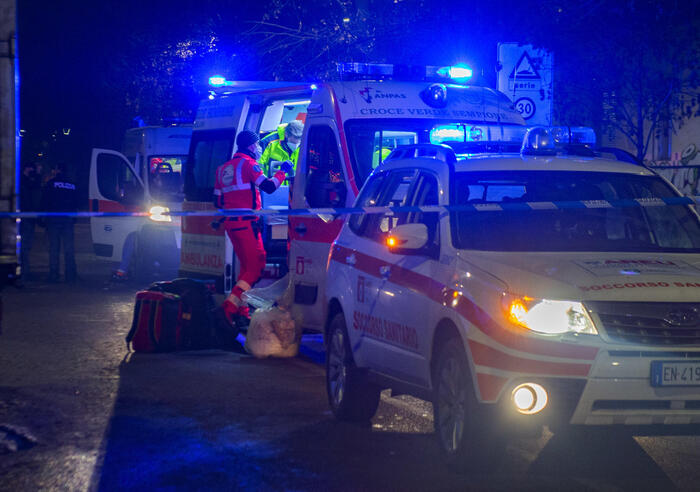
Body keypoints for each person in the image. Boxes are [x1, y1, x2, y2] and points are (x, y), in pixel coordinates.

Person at [214, 130, 292, 322]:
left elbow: (217, 201)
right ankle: (230, 306)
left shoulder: (223, 169)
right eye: (257, 145)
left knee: (246, 268)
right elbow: (269, 187)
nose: (259, 148)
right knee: (257, 265)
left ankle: (242, 312)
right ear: (250, 146)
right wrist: (283, 171)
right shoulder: (249, 165)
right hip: (247, 224)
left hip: (232, 225)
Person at [41, 162, 79, 283]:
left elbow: (45, 201)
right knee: (69, 249)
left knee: (54, 249)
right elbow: (76, 203)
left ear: (57, 170)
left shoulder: (51, 184)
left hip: (53, 220)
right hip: (67, 220)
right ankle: (71, 276)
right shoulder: (72, 185)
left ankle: (53, 275)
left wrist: (43, 218)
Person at [19, 162, 42, 280]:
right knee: (24, 246)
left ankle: (23, 271)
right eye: (31, 167)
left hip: (28, 217)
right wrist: (37, 173)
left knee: (26, 245)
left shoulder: (24, 180)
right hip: (25, 216)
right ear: (26, 168)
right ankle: (23, 272)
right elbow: (35, 187)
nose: (32, 169)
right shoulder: (23, 181)